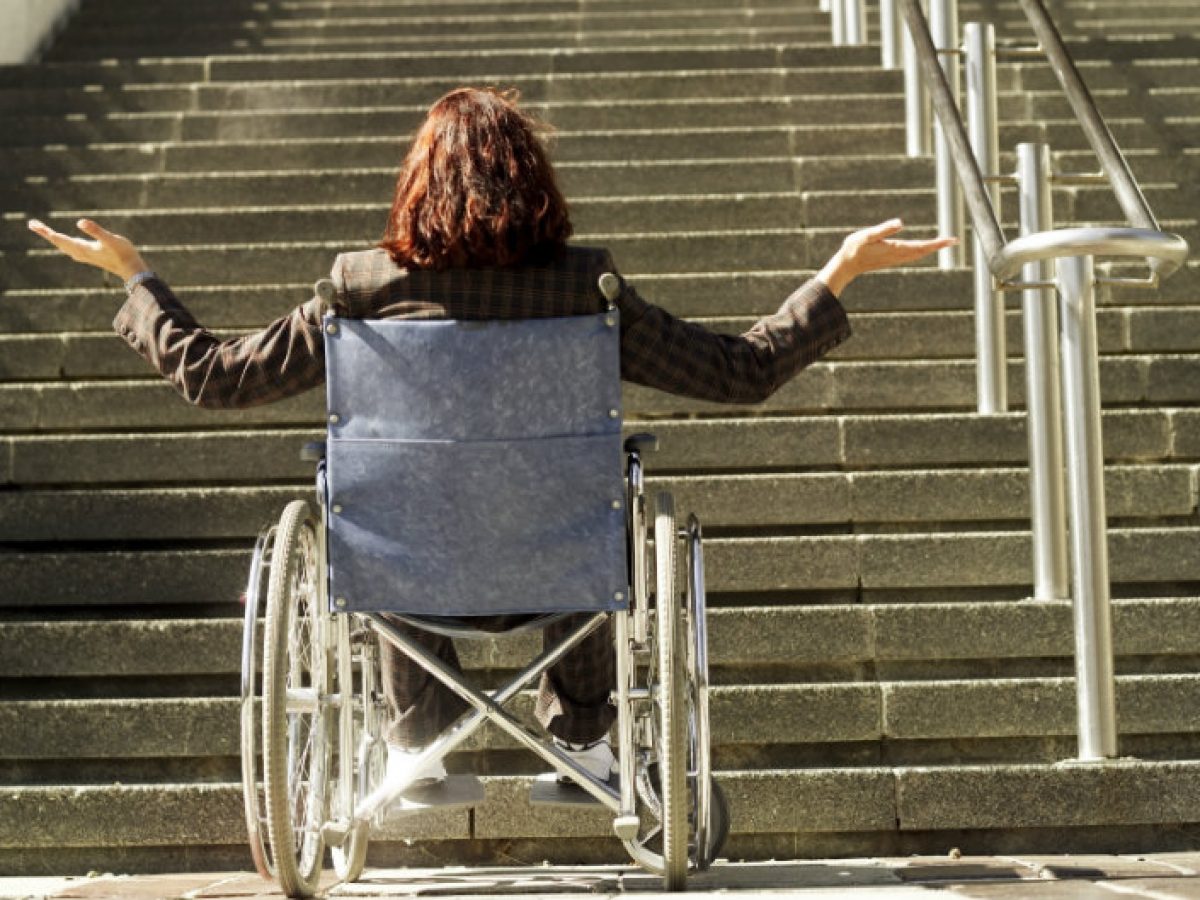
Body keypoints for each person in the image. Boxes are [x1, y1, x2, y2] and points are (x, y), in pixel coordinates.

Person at [28, 86, 955, 788]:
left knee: (380, 502)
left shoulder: (360, 287)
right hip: (557, 574)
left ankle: (418, 732)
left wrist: (137, 278)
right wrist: (837, 273)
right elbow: (739, 372)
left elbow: (218, 376)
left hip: (410, 580)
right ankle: (585, 732)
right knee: (583, 497)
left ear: (416, 184)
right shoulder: (584, 289)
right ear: (533, 181)